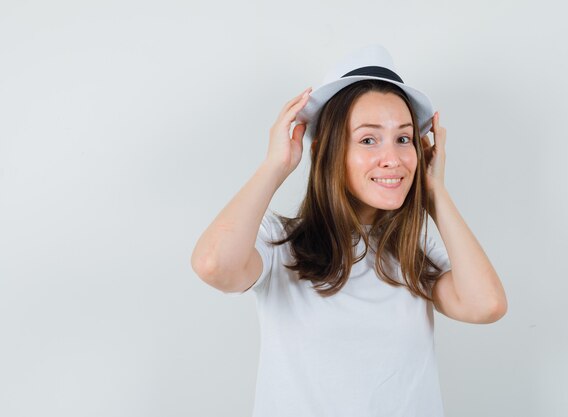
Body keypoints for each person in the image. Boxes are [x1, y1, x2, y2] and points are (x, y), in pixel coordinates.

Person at [190, 45, 507, 417]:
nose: (393, 157)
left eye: (404, 139)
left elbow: (486, 305)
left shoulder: (411, 255)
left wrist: (435, 193)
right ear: (329, 151)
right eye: (369, 139)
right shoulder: (280, 245)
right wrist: (276, 164)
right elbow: (214, 265)